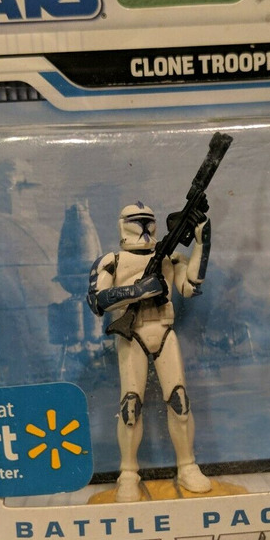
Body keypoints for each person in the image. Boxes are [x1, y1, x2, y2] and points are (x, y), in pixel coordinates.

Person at [87, 201, 212, 502]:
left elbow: (190, 287)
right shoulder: (112, 261)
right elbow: (97, 301)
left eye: (147, 221)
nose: (143, 227)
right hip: (132, 334)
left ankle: (187, 465)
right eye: (137, 221)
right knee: (130, 406)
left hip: (165, 331)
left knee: (179, 400)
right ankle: (128, 473)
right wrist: (138, 291)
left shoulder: (169, 257)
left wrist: (202, 244)